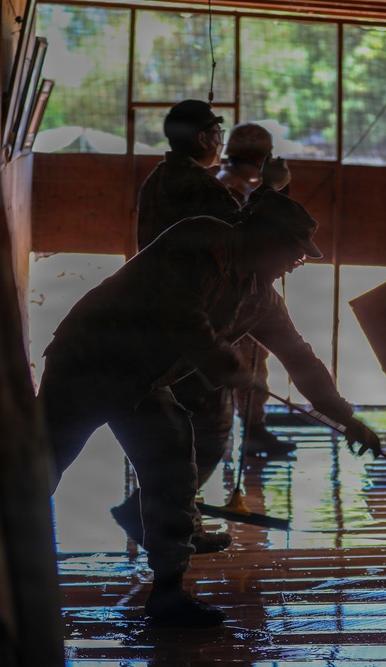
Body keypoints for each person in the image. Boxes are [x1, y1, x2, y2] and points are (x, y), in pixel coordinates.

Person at [37, 191, 382, 627]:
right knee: (39, 467)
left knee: (174, 469)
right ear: (265, 237)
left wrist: (347, 419)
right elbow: (181, 312)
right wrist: (225, 361)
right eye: (293, 251)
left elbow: (300, 358)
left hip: (141, 382)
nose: (296, 263)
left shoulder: (260, 297)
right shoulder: (202, 238)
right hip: (87, 362)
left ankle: (168, 594)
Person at [107, 102, 290, 562]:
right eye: (217, 133)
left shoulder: (160, 178)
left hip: (164, 315)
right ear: (207, 138)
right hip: (190, 319)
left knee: (180, 435)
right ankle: (158, 521)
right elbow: (246, 234)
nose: (221, 142)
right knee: (206, 432)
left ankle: (174, 521)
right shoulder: (201, 187)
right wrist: (272, 191)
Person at [216, 122, 294, 456]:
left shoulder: (232, 183)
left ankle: (252, 428)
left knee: (252, 360)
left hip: (236, 289)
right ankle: (251, 430)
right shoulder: (232, 189)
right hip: (235, 292)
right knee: (248, 362)